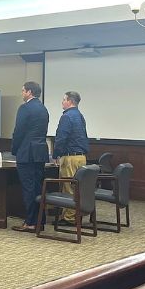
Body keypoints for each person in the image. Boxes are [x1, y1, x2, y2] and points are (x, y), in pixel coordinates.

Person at [10, 80, 50, 232]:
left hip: (26, 152)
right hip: (40, 153)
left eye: (23, 90)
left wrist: (14, 150)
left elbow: (18, 132)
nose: (22, 93)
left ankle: (31, 222)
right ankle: (40, 220)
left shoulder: (25, 108)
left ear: (29, 92)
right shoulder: (43, 109)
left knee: (28, 189)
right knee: (38, 188)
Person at [53, 90, 90, 221]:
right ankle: (75, 215)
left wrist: (55, 155)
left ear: (69, 101)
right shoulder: (80, 116)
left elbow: (61, 138)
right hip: (81, 158)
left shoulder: (66, 117)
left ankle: (69, 218)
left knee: (68, 188)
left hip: (70, 158)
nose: (62, 102)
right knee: (78, 188)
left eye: (64, 99)